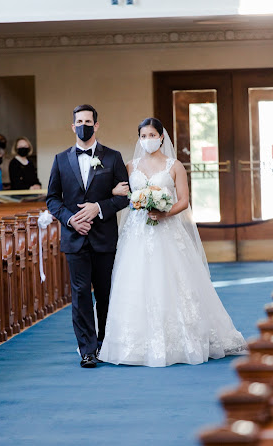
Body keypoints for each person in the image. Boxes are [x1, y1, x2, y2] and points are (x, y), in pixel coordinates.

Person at [98, 117, 247, 367]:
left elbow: (184, 200)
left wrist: (165, 212)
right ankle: (132, 342)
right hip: (137, 232)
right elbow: (120, 193)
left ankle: (185, 339)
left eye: (152, 135)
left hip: (167, 229)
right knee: (135, 280)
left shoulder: (174, 165)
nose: (147, 140)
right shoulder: (129, 166)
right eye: (143, 136)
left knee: (174, 280)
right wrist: (118, 194)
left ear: (162, 137)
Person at [46, 104, 129, 368]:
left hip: (104, 236)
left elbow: (126, 196)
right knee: (81, 294)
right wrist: (71, 219)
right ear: (73, 126)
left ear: (96, 124)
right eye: (79, 121)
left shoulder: (113, 158)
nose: (84, 125)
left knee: (105, 293)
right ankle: (87, 349)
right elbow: (51, 199)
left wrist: (99, 208)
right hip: (75, 237)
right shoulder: (61, 159)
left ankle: (107, 343)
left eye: (88, 121)